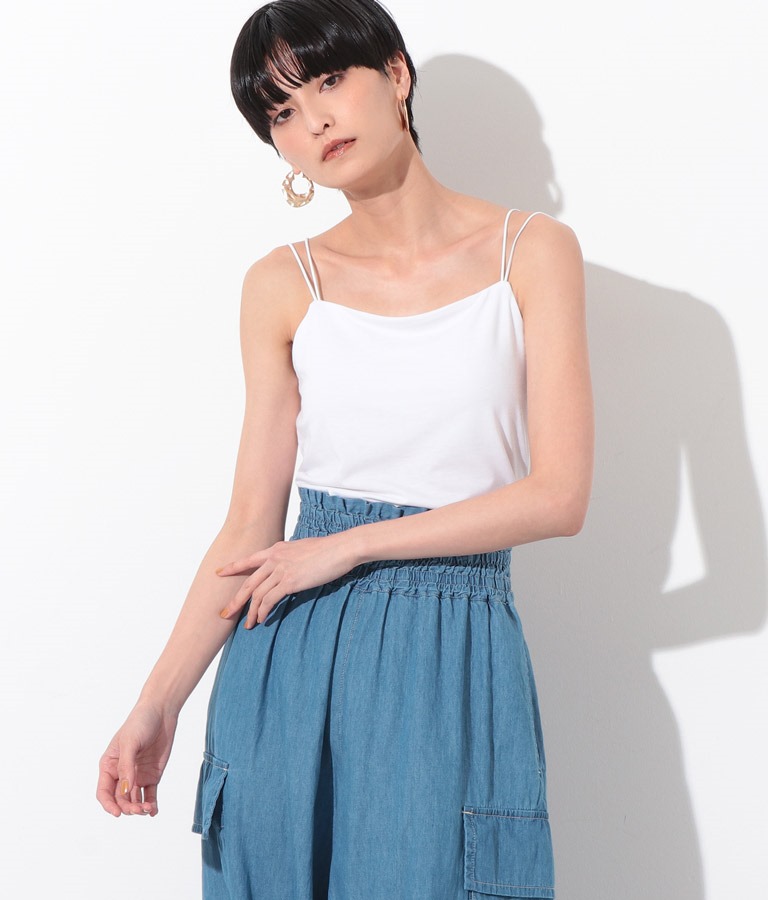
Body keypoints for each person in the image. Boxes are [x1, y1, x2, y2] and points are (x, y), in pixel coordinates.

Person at [96, 1, 593, 897]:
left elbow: (559, 496)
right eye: (282, 111)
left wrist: (349, 544)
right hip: (288, 650)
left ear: (396, 73)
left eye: (330, 80)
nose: (316, 121)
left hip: (452, 644)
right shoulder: (283, 284)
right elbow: (248, 527)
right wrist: (157, 704)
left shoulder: (530, 253)